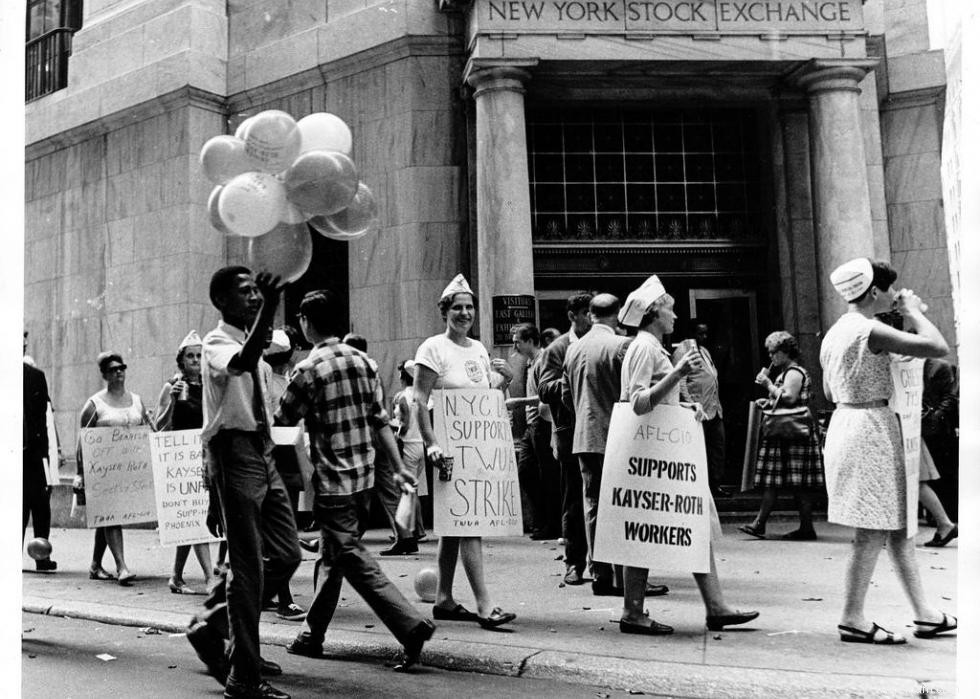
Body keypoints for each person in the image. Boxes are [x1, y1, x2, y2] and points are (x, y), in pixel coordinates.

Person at [279, 290, 435, 667]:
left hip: (333, 482)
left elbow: (283, 422)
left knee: (349, 557)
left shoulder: (307, 370)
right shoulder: (365, 362)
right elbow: (380, 420)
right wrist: (397, 467)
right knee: (334, 557)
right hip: (364, 479)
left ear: (305, 322)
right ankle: (312, 634)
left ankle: (410, 625)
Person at [821, 257, 956, 645]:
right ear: (874, 291)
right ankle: (853, 617)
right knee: (872, 529)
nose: (895, 294)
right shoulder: (870, 330)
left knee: (897, 525)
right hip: (871, 427)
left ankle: (925, 613)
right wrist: (912, 311)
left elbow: (830, 392)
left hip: (847, 422)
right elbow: (937, 345)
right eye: (890, 288)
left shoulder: (836, 332)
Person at [617, 275, 759, 635]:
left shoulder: (652, 348)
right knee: (649, 531)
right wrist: (678, 374)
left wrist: (686, 405)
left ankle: (714, 606)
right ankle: (636, 612)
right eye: (670, 309)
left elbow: (658, 400)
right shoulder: (645, 349)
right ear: (653, 313)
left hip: (666, 454)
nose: (676, 317)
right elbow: (637, 402)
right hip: (654, 456)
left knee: (690, 523)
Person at [186, 266, 300, 699]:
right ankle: (244, 675)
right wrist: (270, 307)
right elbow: (240, 363)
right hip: (234, 454)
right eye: (245, 292)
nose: (254, 296)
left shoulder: (253, 339)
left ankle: (213, 626)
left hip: (261, 451)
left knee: (286, 555)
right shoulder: (216, 342)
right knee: (247, 567)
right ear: (222, 302)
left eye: (257, 290)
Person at [413, 274, 518, 629]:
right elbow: (419, 399)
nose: (464, 313)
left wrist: (505, 379)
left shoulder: (477, 349)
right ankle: (485, 606)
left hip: (477, 452)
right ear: (445, 311)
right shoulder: (432, 349)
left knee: (454, 527)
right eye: (457, 307)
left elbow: (483, 400)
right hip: (448, 451)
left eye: (469, 307)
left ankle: (443, 599)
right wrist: (431, 444)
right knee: (468, 523)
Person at [563, 293, 668, 599]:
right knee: (626, 507)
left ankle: (600, 573)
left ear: (591, 315)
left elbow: (568, 397)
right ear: (617, 314)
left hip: (584, 436)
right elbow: (631, 394)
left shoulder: (574, 348)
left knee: (593, 504)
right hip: (617, 436)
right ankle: (628, 578)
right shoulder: (622, 346)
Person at [739, 331, 825, 541]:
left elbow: (789, 398)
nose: (771, 357)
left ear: (785, 351)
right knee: (791, 483)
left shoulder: (793, 372)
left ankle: (766, 524)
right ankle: (791, 526)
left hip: (793, 434)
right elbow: (783, 400)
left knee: (789, 483)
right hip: (789, 432)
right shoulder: (787, 372)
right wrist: (768, 401)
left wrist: (768, 385)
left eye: (773, 352)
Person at [75, 352, 152, 585]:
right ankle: (122, 566)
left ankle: (95, 565)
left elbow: (147, 428)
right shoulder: (94, 404)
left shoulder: (137, 400)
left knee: (107, 516)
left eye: (122, 368)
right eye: (112, 369)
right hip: (104, 471)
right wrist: (80, 473)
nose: (119, 372)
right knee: (111, 515)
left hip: (129, 469)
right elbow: (83, 441)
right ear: (104, 374)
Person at [154, 331, 217, 594]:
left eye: (199, 355)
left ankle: (176, 577)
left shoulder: (210, 385)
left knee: (192, 519)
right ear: (182, 360)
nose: (195, 360)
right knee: (195, 518)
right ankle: (209, 577)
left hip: (203, 457)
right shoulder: (173, 386)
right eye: (190, 355)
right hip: (180, 461)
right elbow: (158, 426)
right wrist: (171, 401)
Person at [536, 293, 592, 585]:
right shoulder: (558, 349)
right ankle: (574, 563)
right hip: (571, 434)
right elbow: (544, 388)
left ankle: (603, 564)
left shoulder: (600, 343)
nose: (592, 319)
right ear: (573, 316)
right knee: (573, 499)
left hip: (600, 432)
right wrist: (571, 379)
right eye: (586, 313)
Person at [261, 329, 308, 621]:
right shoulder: (267, 377)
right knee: (280, 533)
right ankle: (283, 598)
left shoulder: (287, 380)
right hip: (275, 457)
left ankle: (268, 593)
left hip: (289, 456)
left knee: (281, 530)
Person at [509, 323, 561, 540]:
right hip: (532, 424)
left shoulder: (543, 362)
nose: (515, 346)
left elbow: (546, 395)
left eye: (518, 341)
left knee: (546, 474)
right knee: (526, 471)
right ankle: (541, 520)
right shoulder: (531, 364)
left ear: (530, 340)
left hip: (542, 422)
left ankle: (551, 523)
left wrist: (520, 402)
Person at [672, 322, 728, 498]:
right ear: (692, 333)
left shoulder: (704, 351)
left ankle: (715, 485)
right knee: (699, 450)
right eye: (700, 333)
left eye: (706, 333)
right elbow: (680, 380)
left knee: (717, 448)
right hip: (697, 409)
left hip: (713, 408)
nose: (704, 337)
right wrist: (689, 403)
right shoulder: (684, 349)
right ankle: (701, 488)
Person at [382, 358, 427, 555]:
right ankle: (416, 529)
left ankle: (413, 530)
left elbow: (405, 424)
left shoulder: (402, 397)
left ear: (402, 377)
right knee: (413, 489)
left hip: (408, 444)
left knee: (407, 490)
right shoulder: (421, 396)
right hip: (421, 445)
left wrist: (394, 434)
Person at [23, 331, 57, 571]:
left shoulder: (36, 377)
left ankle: (42, 557)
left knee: (41, 505)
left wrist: (47, 461)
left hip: (34, 455)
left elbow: (45, 421)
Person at [921, 357, 959, 526]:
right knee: (932, 472)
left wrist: (935, 416)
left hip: (939, 427)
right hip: (925, 424)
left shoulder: (939, 367)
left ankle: (947, 514)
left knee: (943, 471)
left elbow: (950, 397)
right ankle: (936, 515)